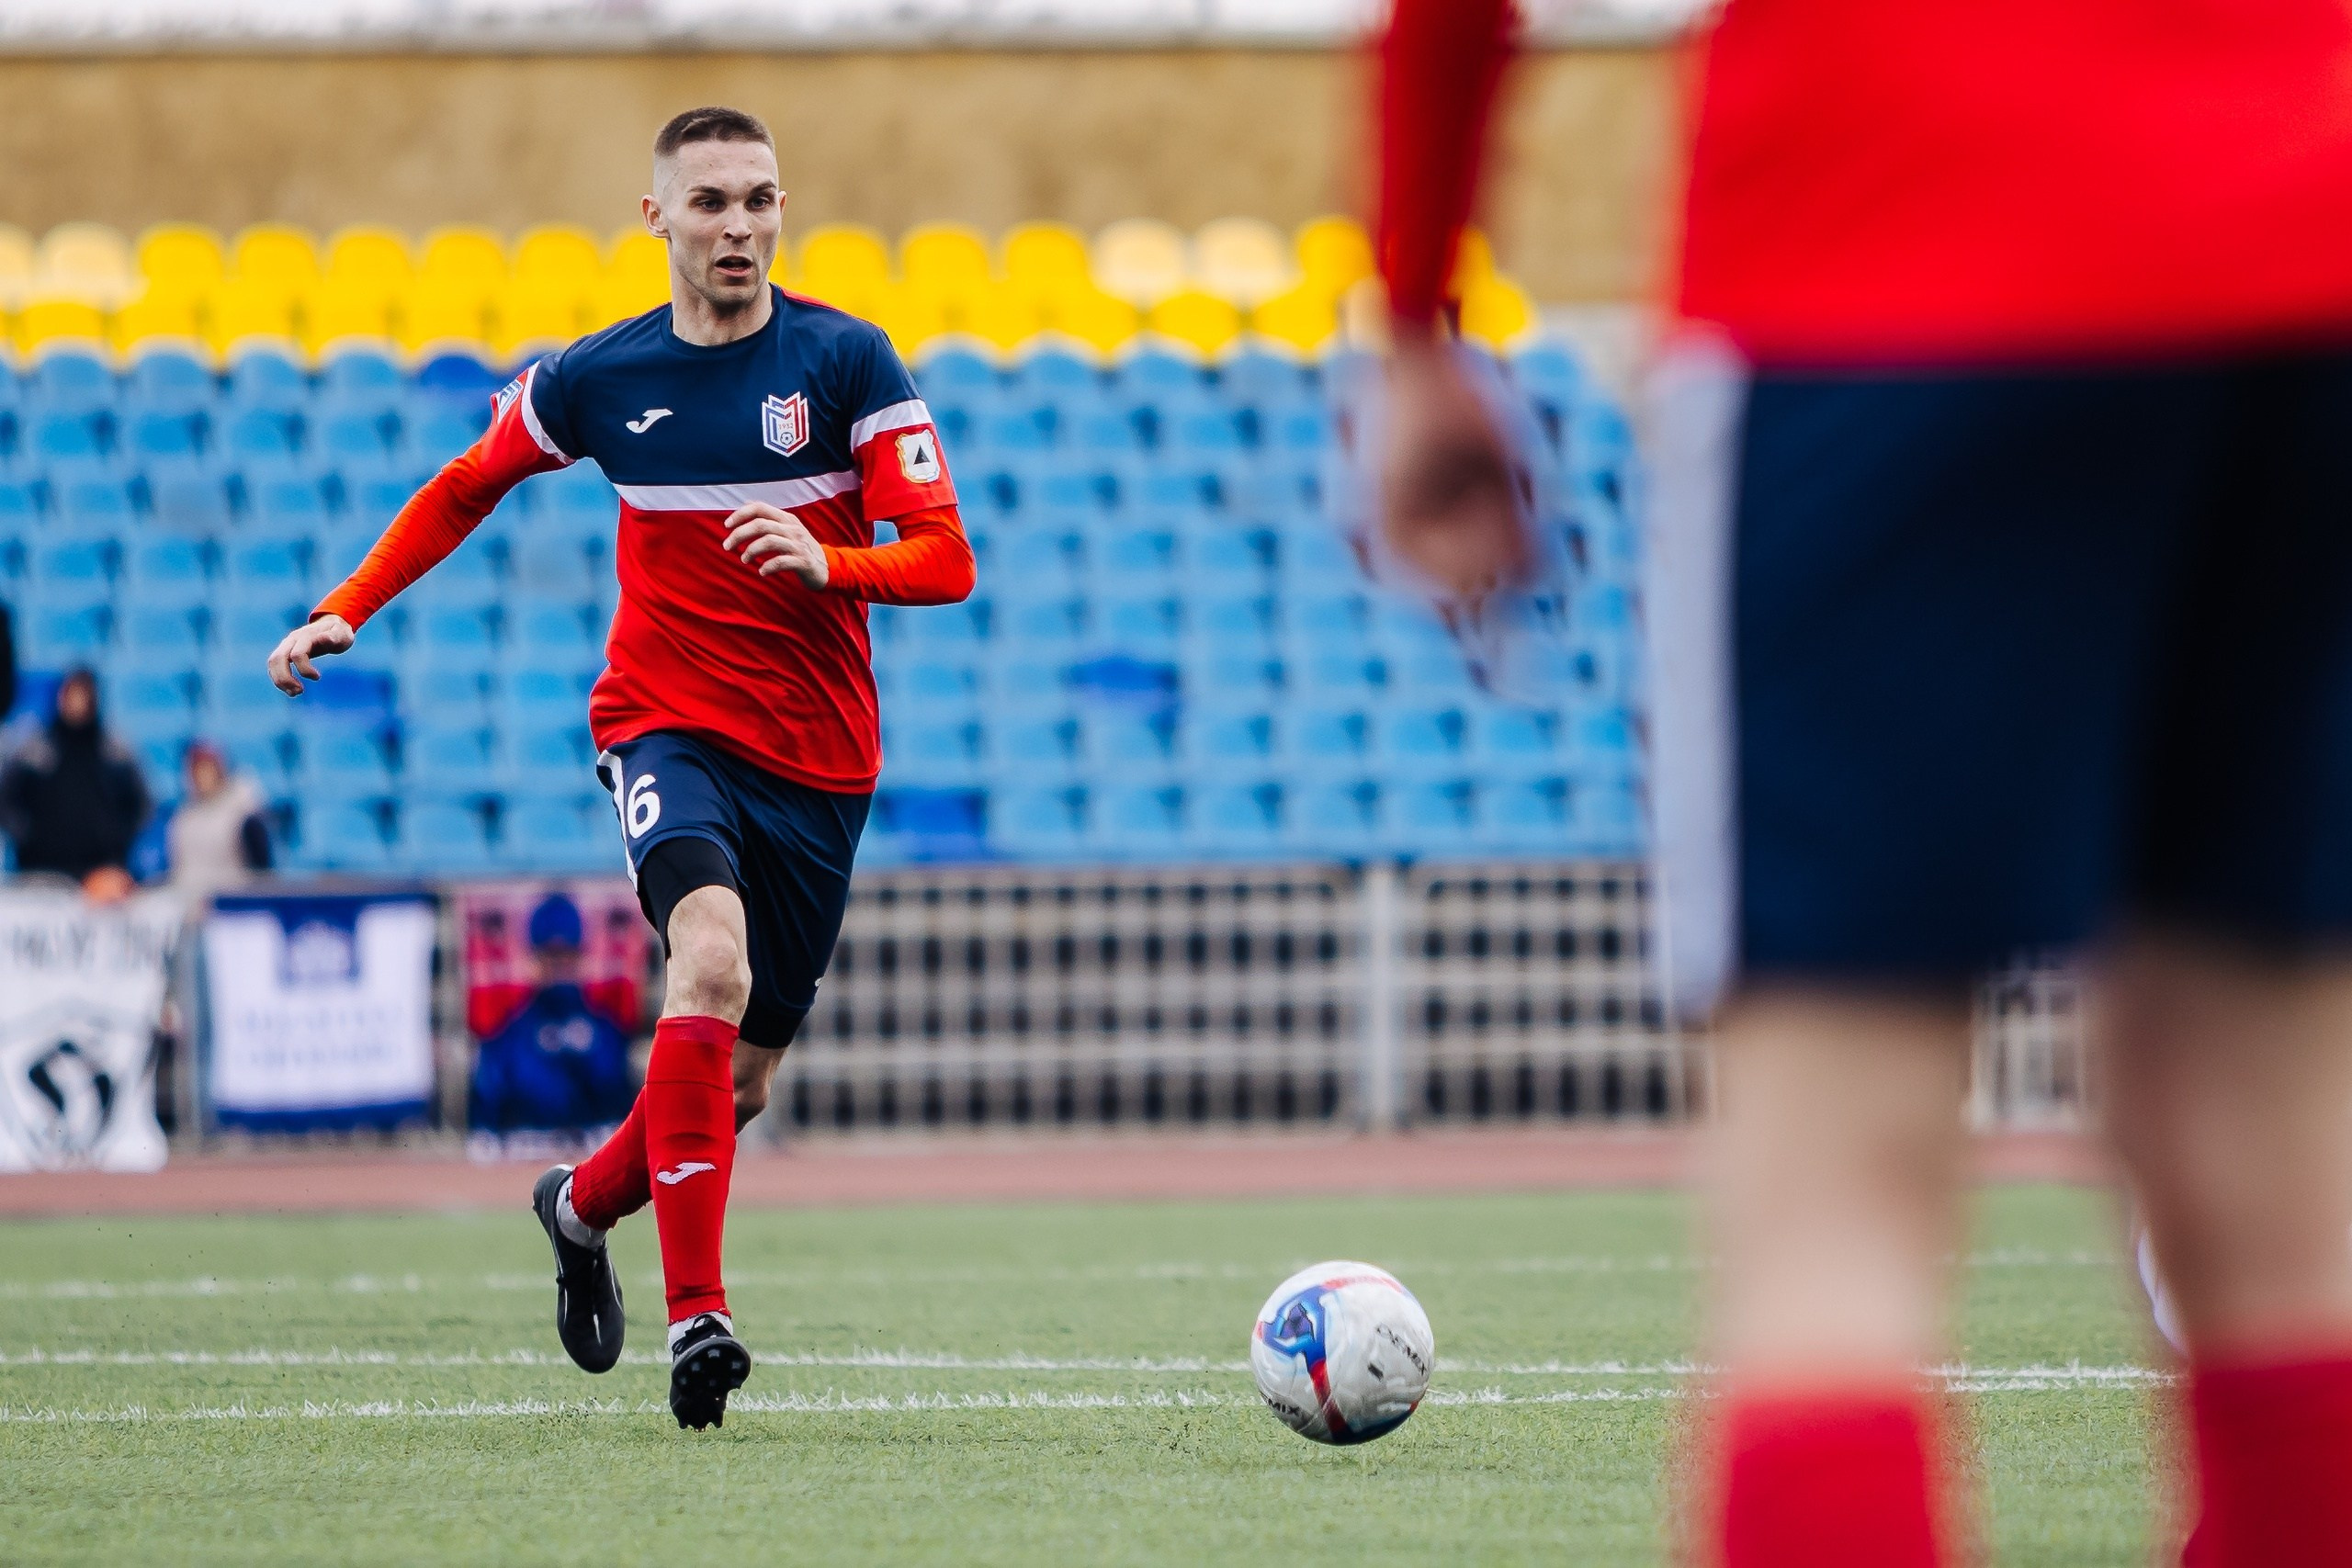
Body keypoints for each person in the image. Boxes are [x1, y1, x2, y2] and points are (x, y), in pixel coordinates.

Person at [1374, 4, 2352, 1565]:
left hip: (1878, 267)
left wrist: (1419, 311)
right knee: (2289, 1230)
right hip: (2302, 270)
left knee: (1833, 1219)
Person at [267, 105, 973, 1429]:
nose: (740, 227)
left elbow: (947, 557)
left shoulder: (846, 360)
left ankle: (580, 1206)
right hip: (664, 725)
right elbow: (465, 483)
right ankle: (700, 1316)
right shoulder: (600, 377)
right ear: (657, 217)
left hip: (822, 763)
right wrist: (345, 606)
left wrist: (832, 561)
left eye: (760, 199)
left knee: (741, 1082)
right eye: (710, 202)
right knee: (707, 962)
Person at [469, 893, 635, 1138]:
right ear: (534, 958)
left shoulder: (605, 1029)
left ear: (580, 955)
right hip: (527, 1146)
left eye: (567, 954)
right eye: (550, 955)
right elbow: (487, 1113)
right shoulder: (510, 1032)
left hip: (593, 1147)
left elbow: (618, 1099)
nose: (559, 966)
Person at [0, 667, 150, 899]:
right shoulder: (35, 750)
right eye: (72, 695)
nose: (77, 703)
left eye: (83, 696)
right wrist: (27, 834)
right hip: (41, 872)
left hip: (100, 876)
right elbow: (7, 800)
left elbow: (141, 804)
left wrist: (118, 838)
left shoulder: (115, 752)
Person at [164, 739, 272, 904]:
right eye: (196, 770)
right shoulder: (183, 819)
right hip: (190, 903)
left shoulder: (244, 817)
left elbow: (262, 874)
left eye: (207, 770)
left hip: (234, 904)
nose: (201, 777)